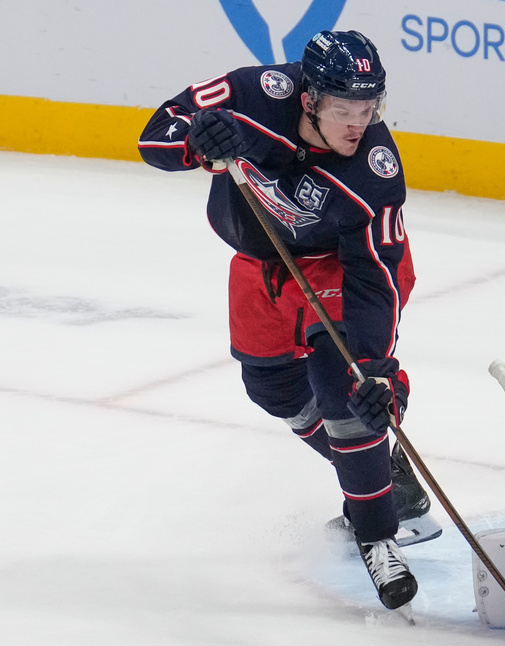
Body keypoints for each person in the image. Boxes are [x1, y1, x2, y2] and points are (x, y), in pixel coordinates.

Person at [137, 30, 432, 611]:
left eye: (369, 109)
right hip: (259, 262)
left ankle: (378, 534)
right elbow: (155, 135)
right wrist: (197, 142)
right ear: (309, 99)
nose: (359, 124)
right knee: (271, 388)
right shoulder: (254, 91)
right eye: (345, 109)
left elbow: (376, 278)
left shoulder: (374, 169)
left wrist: (374, 369)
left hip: (343, 269)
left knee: (343, 388)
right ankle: (382, 471)